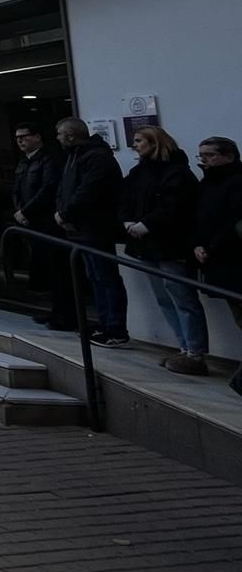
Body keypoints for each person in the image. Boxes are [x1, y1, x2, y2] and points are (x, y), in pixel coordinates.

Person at [122, 126, 208, 375]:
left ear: (155, 143)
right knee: (164, 297)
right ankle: (184, 348)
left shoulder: (178, 173)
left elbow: (176, 206)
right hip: (145, 244)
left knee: (183, 297)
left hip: (171, 245)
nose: (135, 145)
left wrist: (147, 224)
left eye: (139, 141)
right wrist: (127, 221)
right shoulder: (139, 172)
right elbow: (125, 198)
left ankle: (195, 352)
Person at [55, 117, 128, 347]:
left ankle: (115, 328)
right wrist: (62, 213)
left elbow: (88, 191)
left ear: (70, 135)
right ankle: (105, 323)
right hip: (80, 227)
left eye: (59, 134)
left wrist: (66, 214)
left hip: (96, 227)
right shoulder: (75, 156)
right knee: (95, 277)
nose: (57, 139)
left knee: (106, 277)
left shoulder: (96, 157)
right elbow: (65, 188)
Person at [193, 136, 242, 398]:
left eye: (210, 155)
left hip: (233, 259)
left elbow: (233, 221)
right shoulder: (207, 183)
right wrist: (199, 244)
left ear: (229, 156)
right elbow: (201, 218)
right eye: (201, 156)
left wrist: (210, 247)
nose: (204, 160)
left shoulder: (236, 182)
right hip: (217, 258)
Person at [12, 121, 73, 329]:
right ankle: (55, 311)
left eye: (25, 136)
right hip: (30, 222)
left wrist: (26, 211)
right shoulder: (23, 162)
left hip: (48, 222)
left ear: (37, 137)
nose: (20, 140)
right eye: (18, 137)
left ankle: (66, 314)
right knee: (47, 269)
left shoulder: (49, 158)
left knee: (59, 270)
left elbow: (48, 188)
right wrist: (20, 211)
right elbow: (17, 189)